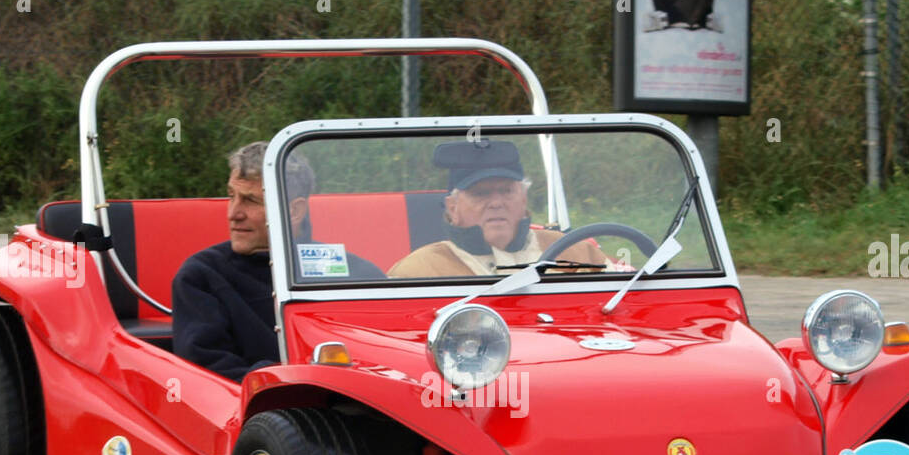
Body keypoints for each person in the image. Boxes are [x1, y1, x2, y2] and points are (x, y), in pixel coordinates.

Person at [172, 141, 379, 381]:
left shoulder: (358, 274)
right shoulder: (202, 276)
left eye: (250, 200)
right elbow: (208, 377)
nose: (233, 214)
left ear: (294, 211)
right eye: (231, 196)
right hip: (264, 413)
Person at [387, 140, 612, 278]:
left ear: (523, 201)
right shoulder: (418, 271)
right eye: (481, 193)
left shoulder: (577, 252)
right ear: (452, 208)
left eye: (506, 191)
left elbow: (628, 305)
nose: (496, 203)